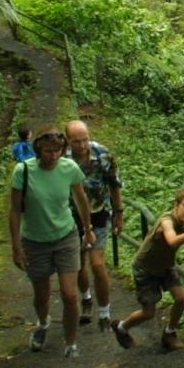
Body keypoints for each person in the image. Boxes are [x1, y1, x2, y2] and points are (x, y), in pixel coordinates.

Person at [9, 126, 95, 358]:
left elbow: (80, 199)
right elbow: (16, 210)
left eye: (58, 151)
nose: (53, 156)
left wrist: (87, 229)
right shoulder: (23, 171)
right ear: (38, 150)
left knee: (70, 294)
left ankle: (71, 342)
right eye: (48, 151)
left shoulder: (69, 169)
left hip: (66, 236)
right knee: (42, 294)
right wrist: (16, 246)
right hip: (35, 240)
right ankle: (43, 324)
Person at [111, 188, 184, 352]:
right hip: (145, 268)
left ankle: (170, 333)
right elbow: (172, 240)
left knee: (181, 298)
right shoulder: (167, 220)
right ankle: (121, 327)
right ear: (176, 205)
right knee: (149, 313)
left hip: (166, 266)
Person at [65, 119, 124, 329]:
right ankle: (86, 297)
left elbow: (114, 185)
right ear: (68, 141)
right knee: (78, 263)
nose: (82, 146)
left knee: (97, 264)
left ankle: (105, 312)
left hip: (98, 212)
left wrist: (119, 213)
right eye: (76, 142)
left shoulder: (102, 154)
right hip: (70, 216)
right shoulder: (63, 159)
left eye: (85, 140)